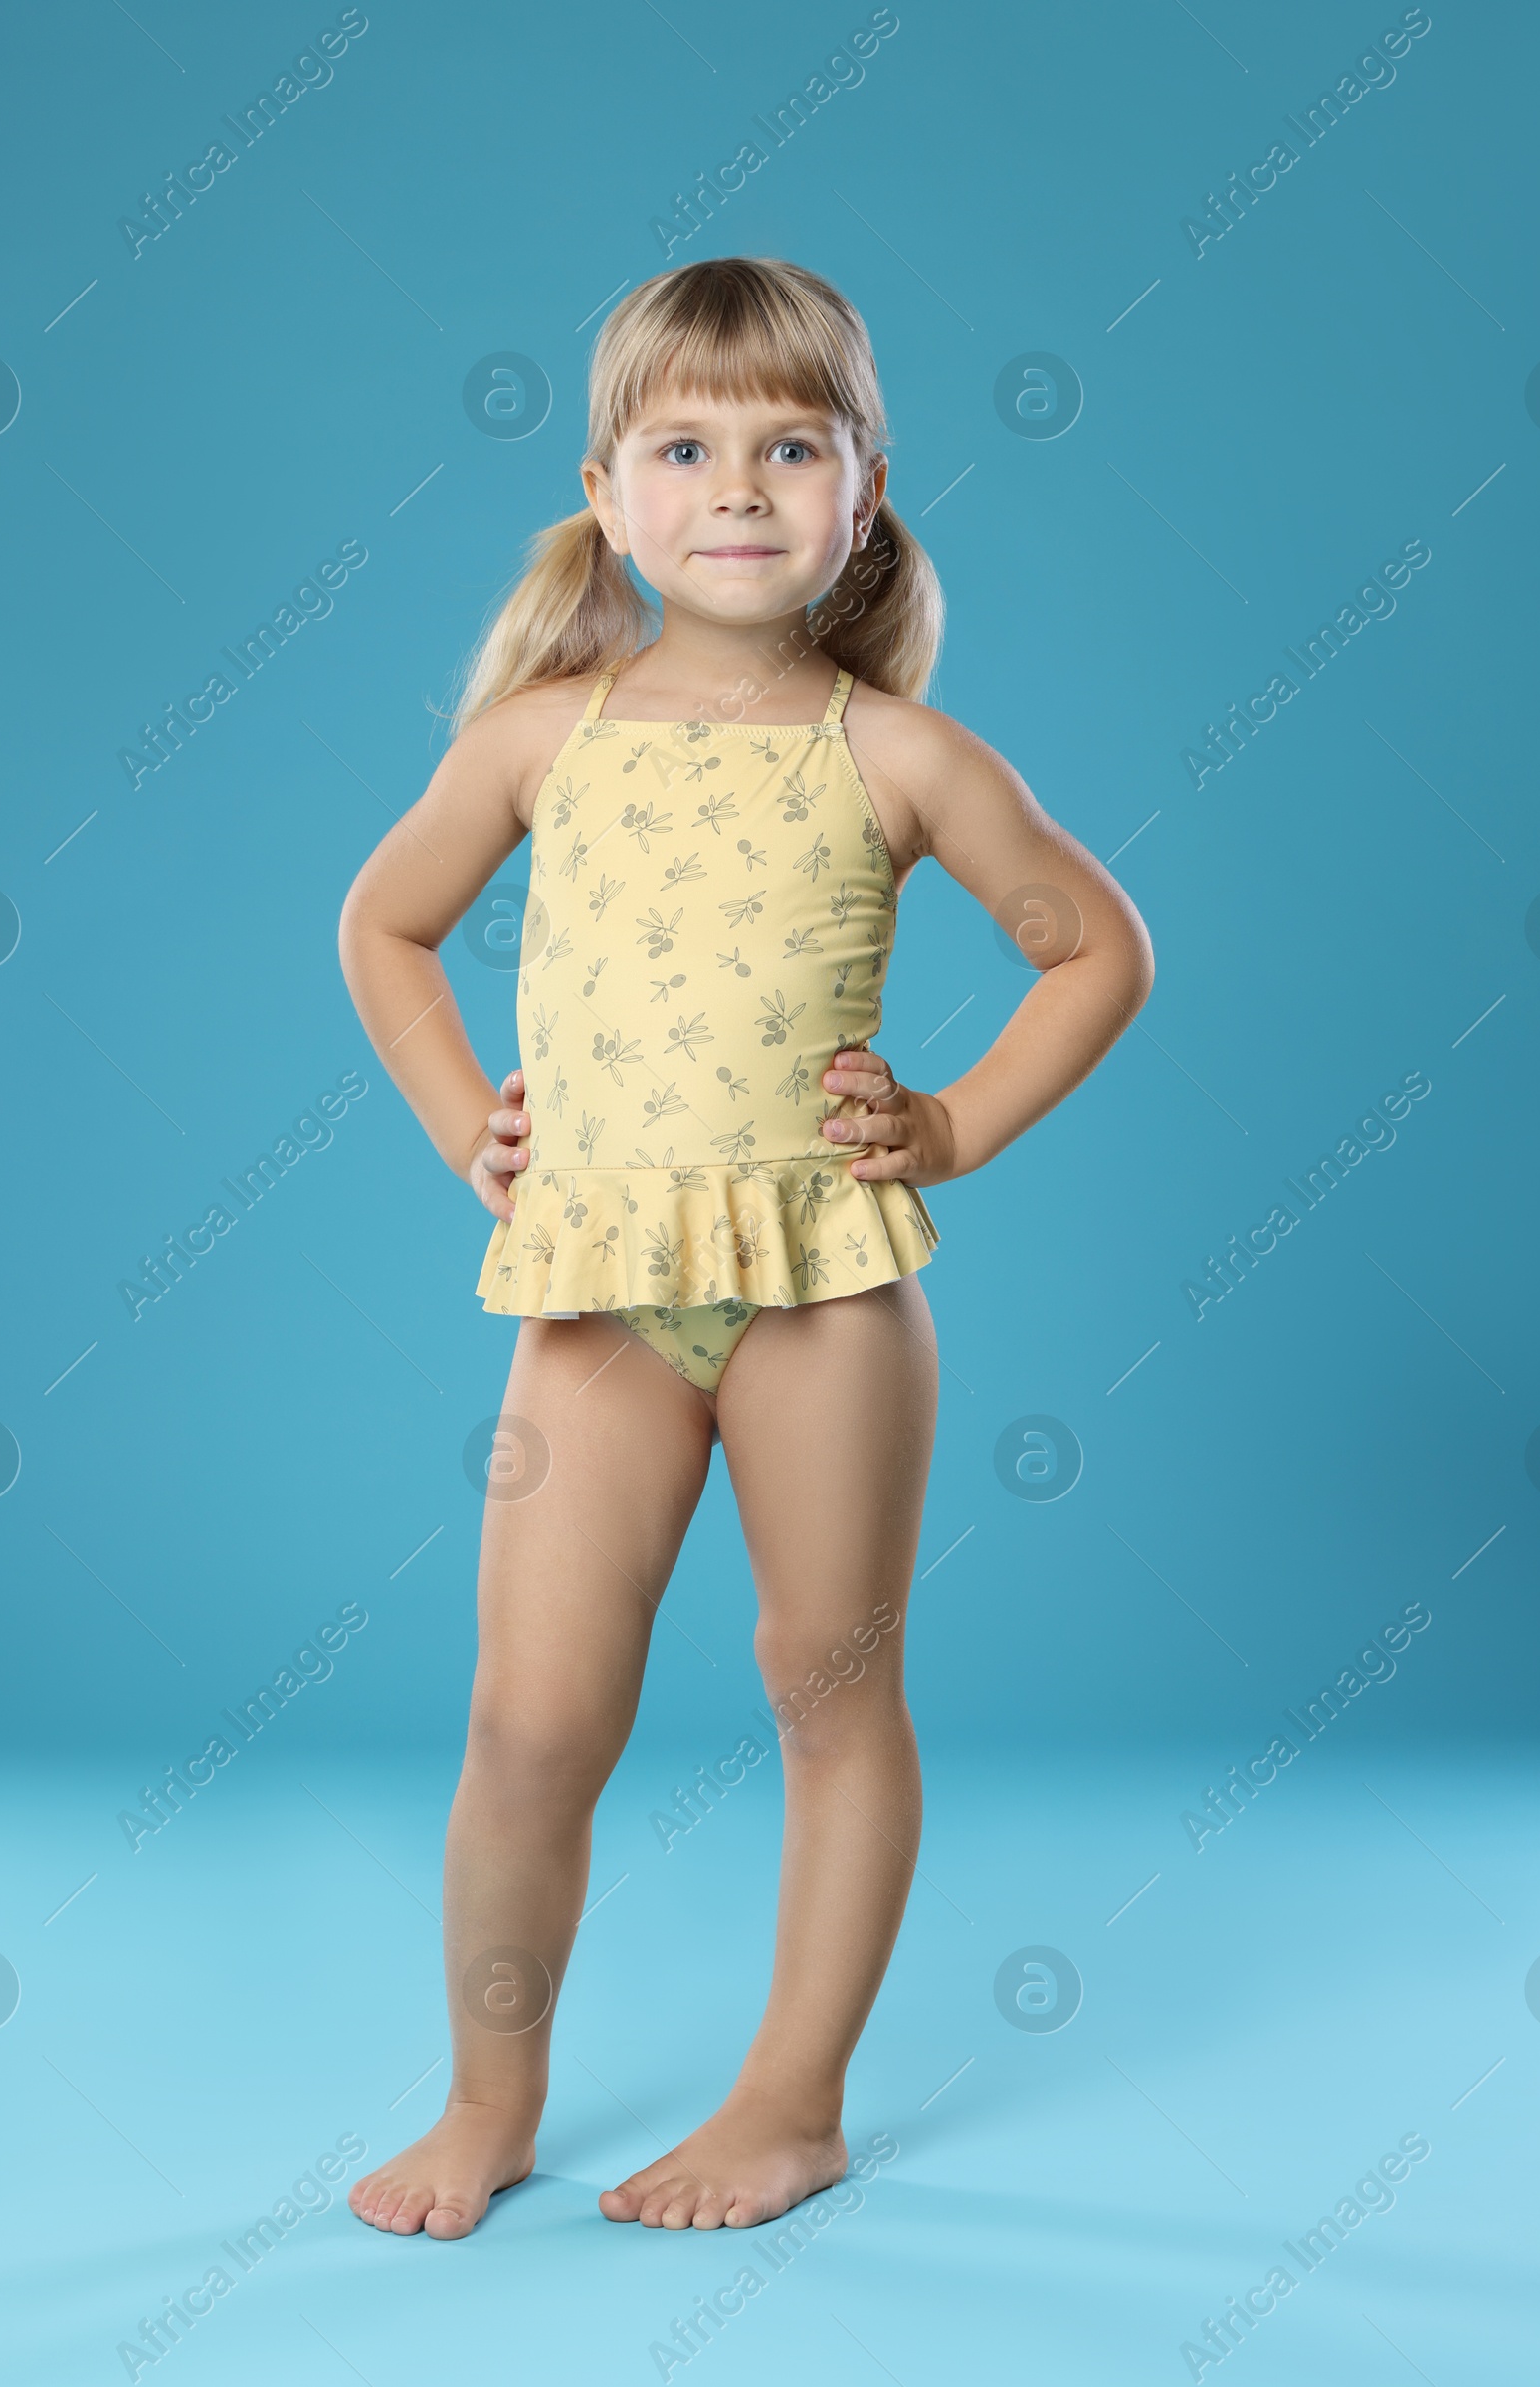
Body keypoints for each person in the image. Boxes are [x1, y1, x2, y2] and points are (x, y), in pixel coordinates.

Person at [336, 255, 1153, 2238]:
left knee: (829, 1687)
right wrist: (471, 1124)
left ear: (861, 491)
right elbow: (384, 926)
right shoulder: (543, 735)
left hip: (826, 1297)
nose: (737, 487)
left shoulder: (892, 755)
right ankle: (486, 2104)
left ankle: (791, 2105)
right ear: (609, 490)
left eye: (791, 447)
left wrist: (946, 1120)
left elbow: (1093, 953)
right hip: (598, 1293)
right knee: (527, 1723)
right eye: (686, 448)